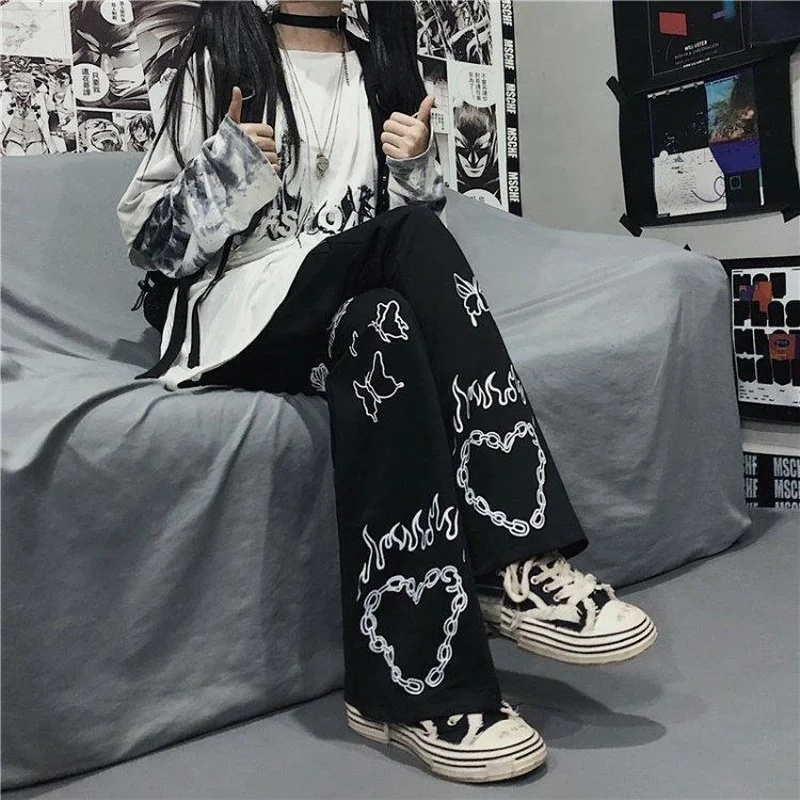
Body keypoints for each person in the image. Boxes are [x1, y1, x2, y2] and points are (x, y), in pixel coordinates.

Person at [117, 0, 657, 784]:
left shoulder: (377, 67)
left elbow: (404, 266)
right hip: (238, 319)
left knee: (386, 327)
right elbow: (150, 246)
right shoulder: (221, 55)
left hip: (338, 312)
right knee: (413, 243)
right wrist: (224, 170)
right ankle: (514, 551)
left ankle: (414, 688)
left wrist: (413, 169)